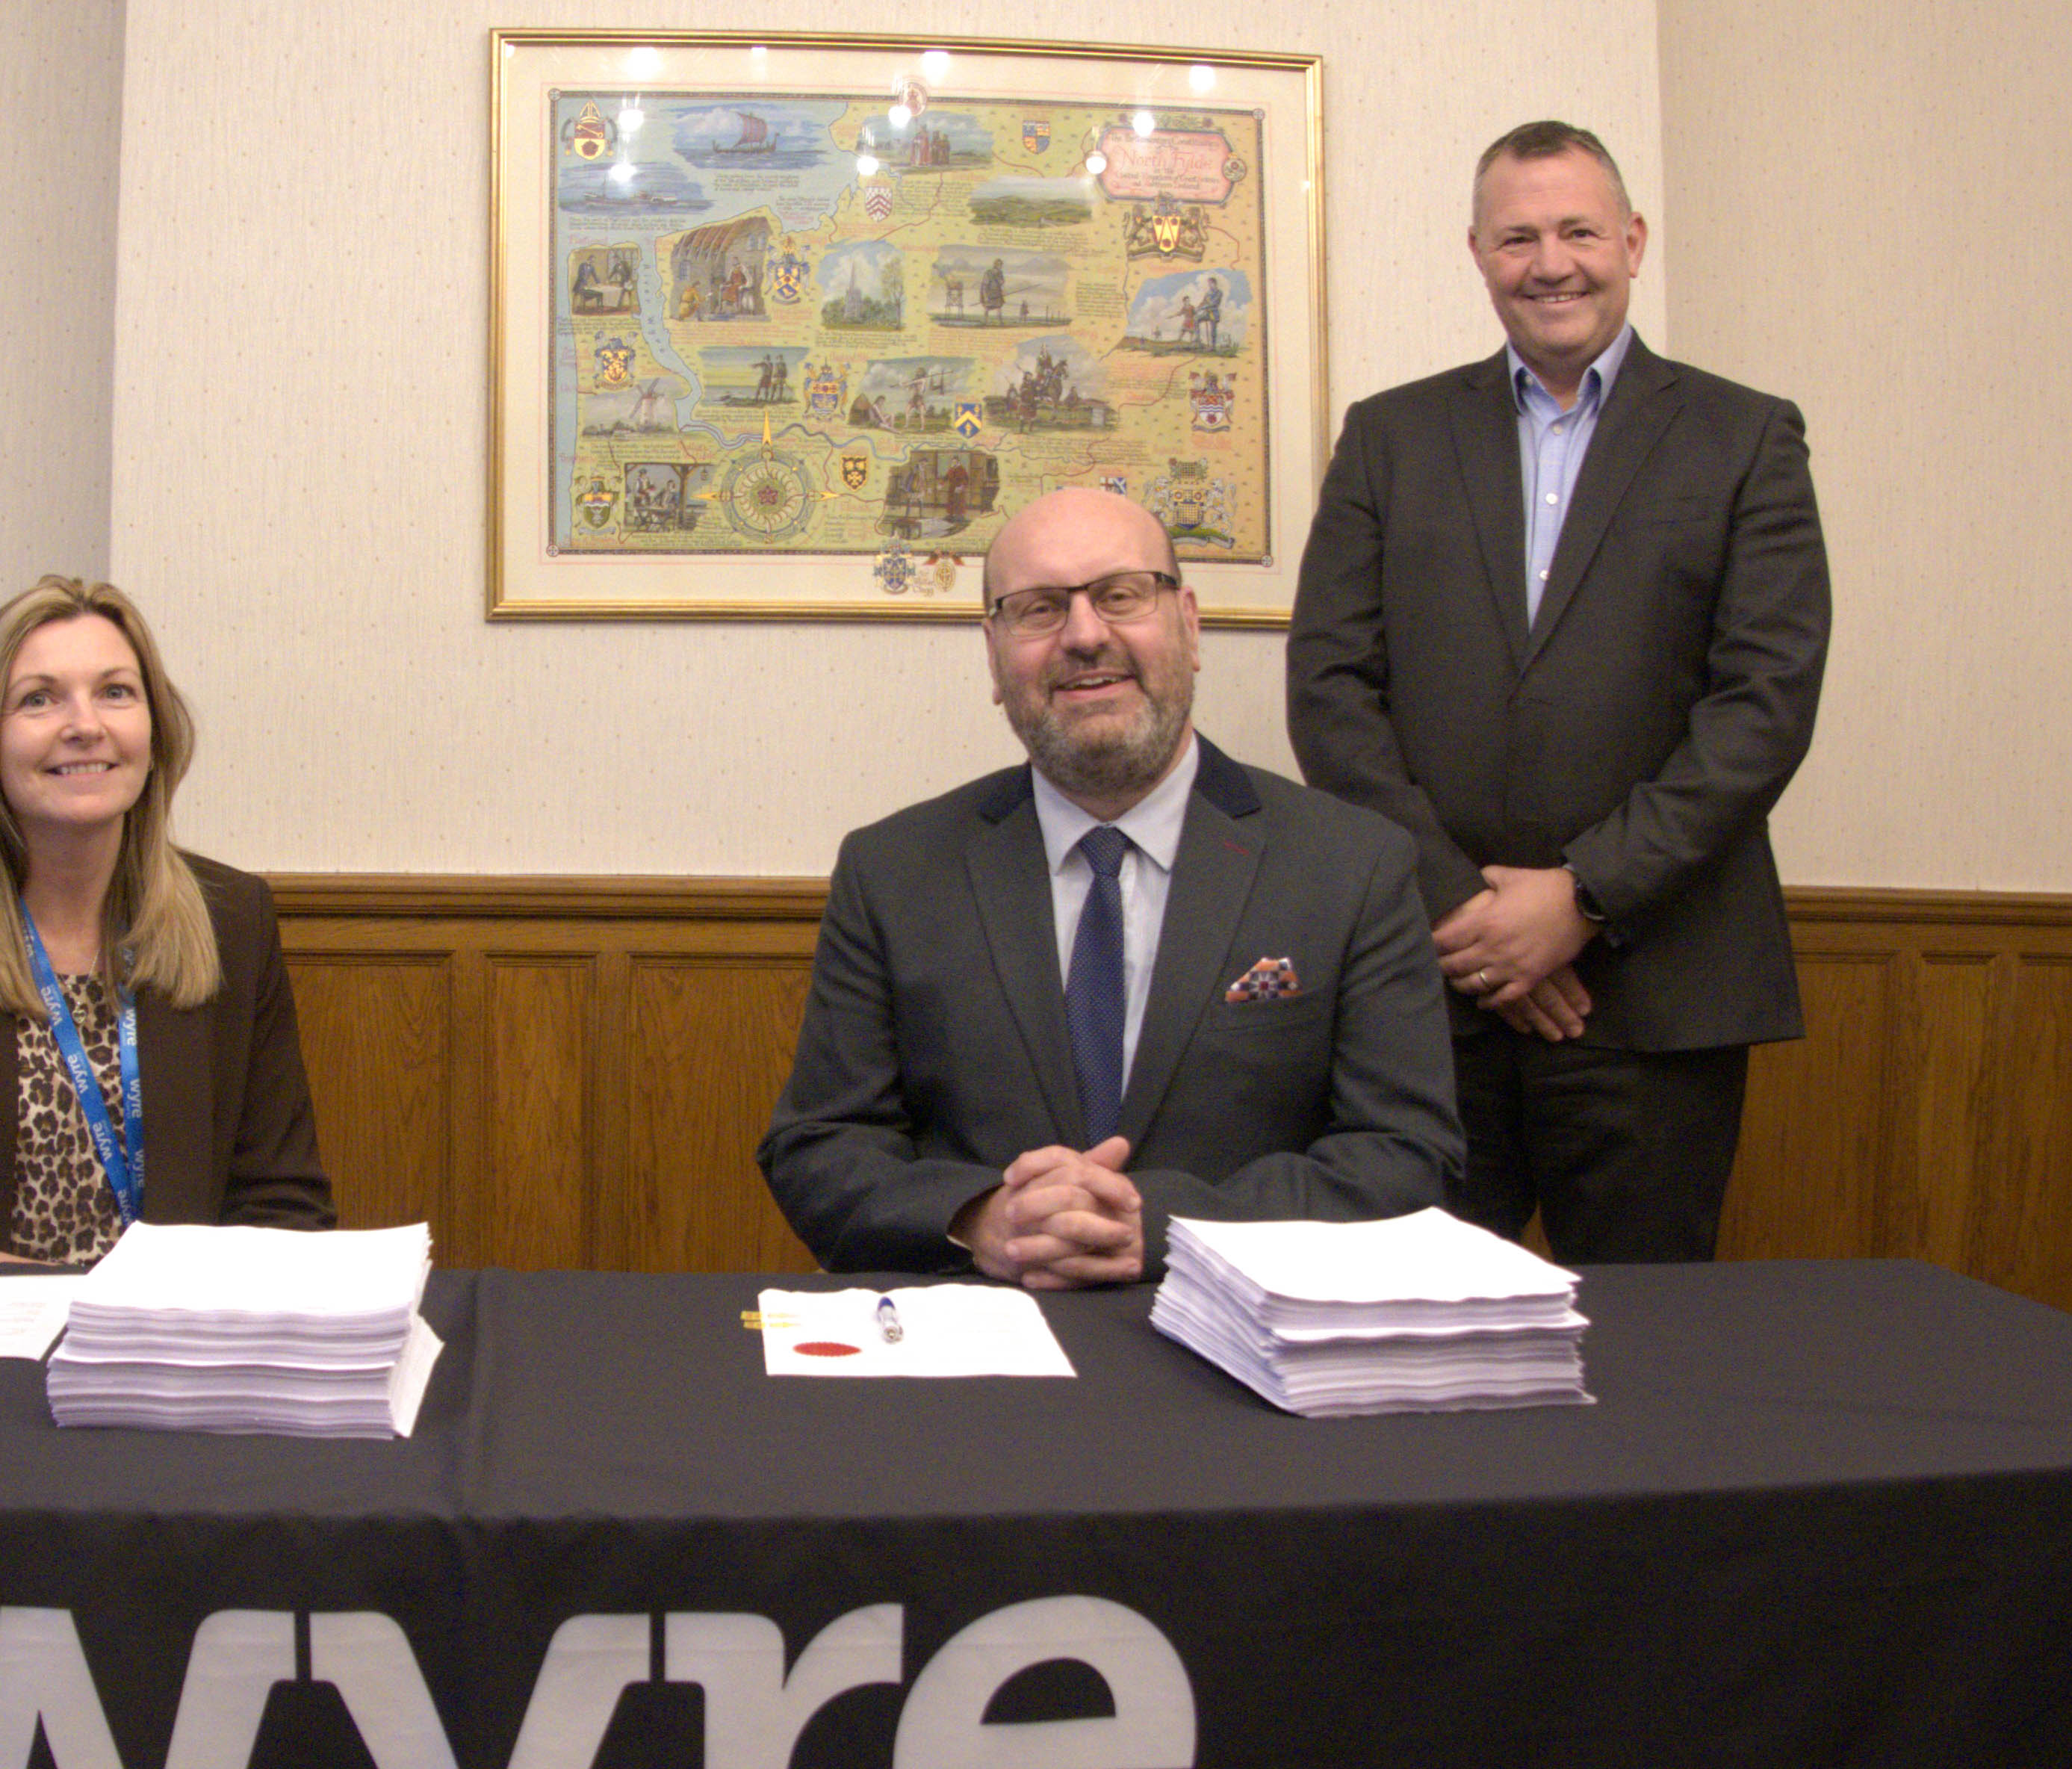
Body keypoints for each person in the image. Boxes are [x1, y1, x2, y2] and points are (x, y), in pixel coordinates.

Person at [1286, 121, 1830, 1263]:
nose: (1550, 262)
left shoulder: (1743, 439)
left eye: (1578, 230)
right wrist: (1470, 917)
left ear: (1631, 242)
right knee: (1411, 1347)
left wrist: (1579, 899)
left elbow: (1762, 703)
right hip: (1432, 992)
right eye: (1517, 236)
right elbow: (1330, 689)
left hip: (1656, 994)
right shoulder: (1388, 439)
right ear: (1476, 254)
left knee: (1646, 1367)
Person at [758, 486, 1461, 1286]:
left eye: (1121, 596)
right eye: (1039, 609)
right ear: (994, 656)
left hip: (1246, 1365)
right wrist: (981, 1219)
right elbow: (818, 1148)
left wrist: (1155, 1227)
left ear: (1189, 625)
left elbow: (1408, 1158)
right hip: (980, 1355)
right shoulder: (893, 871)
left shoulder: (1352, 865)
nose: (1085, 636)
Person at [0, 578, 332, 1263]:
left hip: (169, 1352)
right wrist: (64, 1304)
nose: (85, 724)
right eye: (38, 699)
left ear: (155, 728)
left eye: (115, 691)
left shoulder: (232, 919)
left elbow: (287, 1206)